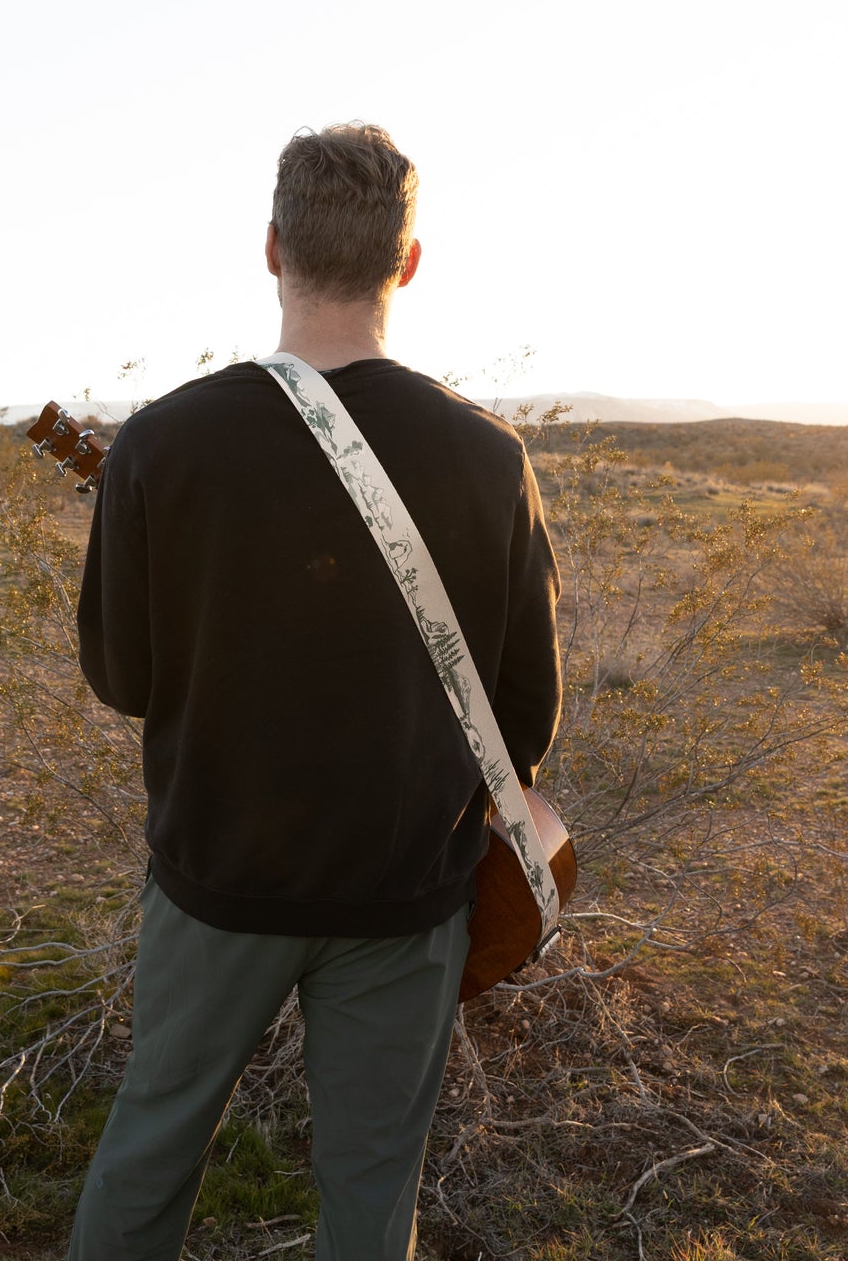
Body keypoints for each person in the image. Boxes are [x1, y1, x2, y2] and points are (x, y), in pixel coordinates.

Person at [69, 122, 561, 1260]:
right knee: (372, 1180)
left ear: (271, 248)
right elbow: (522, 715)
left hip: (216, 882)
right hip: (401, 891)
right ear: (409, 262)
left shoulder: (159, 442)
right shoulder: (487, 456)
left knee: (151, 1146)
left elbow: (122, 676)